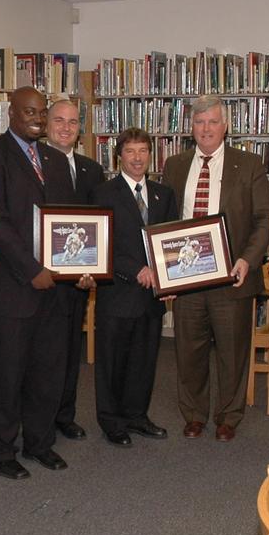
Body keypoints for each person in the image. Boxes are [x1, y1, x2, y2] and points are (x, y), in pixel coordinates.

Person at [0, 86, 75, 478]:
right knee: (5, 376)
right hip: (9, 289)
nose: (37, 119)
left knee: (47, 372)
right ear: (10, 113)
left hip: (55, 289)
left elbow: (67, 221)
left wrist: (79, 263)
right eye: (29, 111)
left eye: (42, 113)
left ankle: (39, 443)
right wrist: (32, 269)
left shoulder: (55, 159)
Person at [161, 95, 269, 442]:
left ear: (225, 126)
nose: (206, 128)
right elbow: (166, 222)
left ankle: (228, 416)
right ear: (190, 128)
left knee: (232, 351)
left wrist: (247, 260)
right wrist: (167, 271)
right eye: (199, 122)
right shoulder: (175, 166)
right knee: (188, 350)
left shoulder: (249, 164)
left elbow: (264, 220)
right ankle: (194, 414)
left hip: (232, 277)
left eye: (212, 122)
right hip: (187, 277)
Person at [90, 128, 176, 447]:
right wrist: (134, 269)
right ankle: (111, 421)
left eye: (143, 151)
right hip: (118, 292)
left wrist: (170, 278)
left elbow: (170, 242)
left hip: (152, 297)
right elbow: (100, 245)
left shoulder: (163, 194)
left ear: (151, 155)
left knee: (144, 359)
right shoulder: (102, 194)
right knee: (112, 361)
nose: (137, 158)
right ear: (119, 157)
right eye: (130, 152)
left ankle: (137, 415)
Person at [45, 98, 103, 441]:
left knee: (70, 350)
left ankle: (64, 414)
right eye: (58, 120)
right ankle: (42, 414)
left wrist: (93, 270)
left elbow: (99, 225)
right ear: (47, 123)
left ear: (79, 129)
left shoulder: (91, 170)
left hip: (78, 279)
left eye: (72, 122)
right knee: (45, 353)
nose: (65, 127)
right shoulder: (34, 164)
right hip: (44, 277)